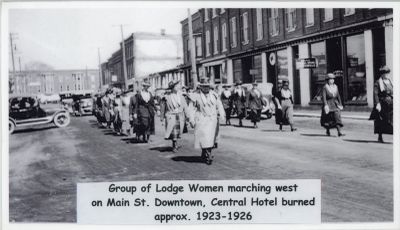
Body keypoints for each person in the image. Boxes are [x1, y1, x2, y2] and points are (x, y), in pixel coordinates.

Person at [188, 78, 225, 165]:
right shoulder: (195, 96)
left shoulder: (214, 95)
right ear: (200, 87)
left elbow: (219, 105)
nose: (206, 88)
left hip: (212, 120)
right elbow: (191, 109)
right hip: (201, 119)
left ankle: (205, 153)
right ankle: (208, 155)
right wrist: (191, 120)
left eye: (207, 86)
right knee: (204, 138)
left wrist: (222, 114)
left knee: (211, 139)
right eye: (204, 86)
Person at [160, 80, 189, 152]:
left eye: (178, 86)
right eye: (176, 86)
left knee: (178, 131)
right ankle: (174, 144)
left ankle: (175, 143)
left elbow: (185, 107)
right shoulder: (166, 97)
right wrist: (162, 118)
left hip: (180, 115)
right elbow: (163, 107)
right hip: (171, 115)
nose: (178, 87)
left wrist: (188, 116)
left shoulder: (181, 96)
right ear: (173, 88)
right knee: (173, 131)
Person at [369, 66, 393, 142]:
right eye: (384, 73)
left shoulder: (390, 81)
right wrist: (377, 104)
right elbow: (375, 94)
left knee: (392, 119)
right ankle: (380, 136)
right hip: (383, 103)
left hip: (391, 103)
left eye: (387, 73)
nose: (386, 75)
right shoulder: (378, 82)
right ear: (381, 74)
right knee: (381, 120)